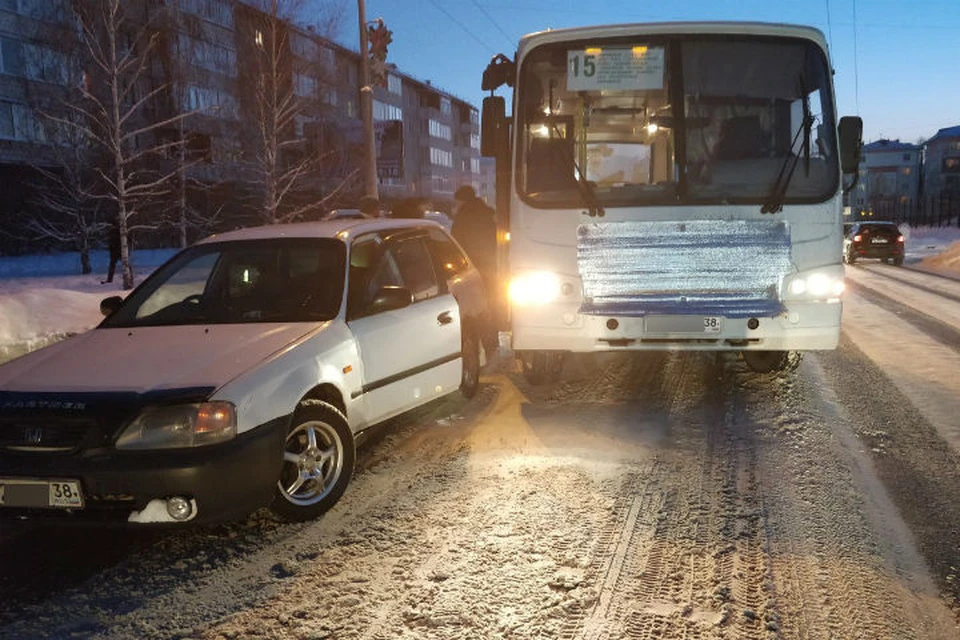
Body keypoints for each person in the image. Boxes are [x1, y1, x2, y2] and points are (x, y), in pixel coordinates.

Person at [451, 185, 499, 355]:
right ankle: (492, 343)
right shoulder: (488, 213)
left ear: (461, 200)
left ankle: (478, 346)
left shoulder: (463, 217)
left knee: (473, 308)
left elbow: (456, 243)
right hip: (490, 265)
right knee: (490, 303)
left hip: (471, 267)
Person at [102, 217, 122, 284]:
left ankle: (110, 279)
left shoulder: (114, 231)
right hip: (117, 250)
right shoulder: (118, 230)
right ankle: (109, 279)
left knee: (113, 265)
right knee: (125, 264)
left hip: (116, 250)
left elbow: (111, 241)